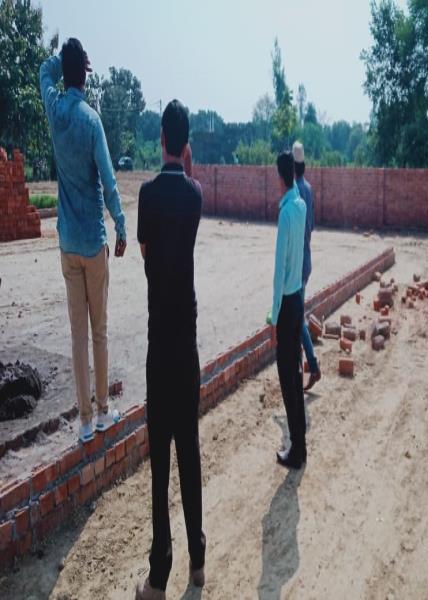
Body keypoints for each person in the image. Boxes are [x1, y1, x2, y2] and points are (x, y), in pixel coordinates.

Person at [39, 38, 126, 443]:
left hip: (67, 243)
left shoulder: (55, 110)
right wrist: (121, 224)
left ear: (65, 73)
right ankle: (104, 411)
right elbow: (108, 181)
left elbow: (43, 72)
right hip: (93, 241)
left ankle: (85, 422)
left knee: (77, 336)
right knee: (100, 331)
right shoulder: (92, 121)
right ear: (85, 75)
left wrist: (63, 61)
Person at [135, 100, 205, 599]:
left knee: (160, 461)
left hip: (160, 344)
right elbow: (189, 186)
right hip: (189, 345)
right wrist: (186, 162)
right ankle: (198, 560)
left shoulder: (146, 195)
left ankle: (159, 575)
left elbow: (145, 253)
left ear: (161, 138)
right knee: (190, 453)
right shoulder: (195, 195)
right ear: (186, 145)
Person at [267, 152, 307, 469]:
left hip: (286, 304)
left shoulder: (285, 214)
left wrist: (273, 315)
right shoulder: (301, 205)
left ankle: (297, 449)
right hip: (298, 299)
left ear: (281, 178)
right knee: (294, 373)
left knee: (287, 378)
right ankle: (300, 443)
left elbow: (279, 270)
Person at [292, 141, 321, 391]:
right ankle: (302, 366)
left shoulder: (294, 192)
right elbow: (311, 225)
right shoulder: (309, 189)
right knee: (297, 314)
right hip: (307, 259)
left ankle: (312, 364)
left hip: (297, 264)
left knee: (297, 318)